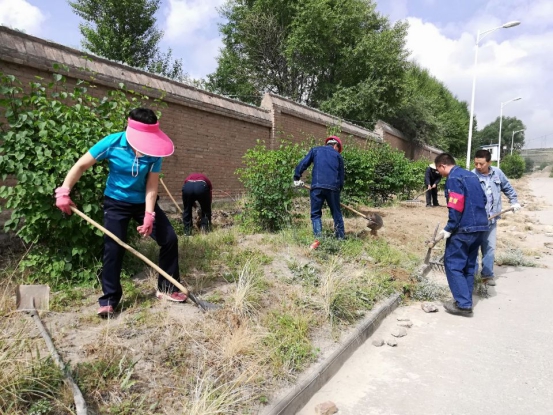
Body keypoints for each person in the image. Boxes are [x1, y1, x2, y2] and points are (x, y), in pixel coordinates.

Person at [55, 108, 186, 317]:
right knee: (113, 247)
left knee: (169, 238)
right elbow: (81, 166)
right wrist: (64, 191)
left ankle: (167, 288)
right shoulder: (112, 142)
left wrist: (149, 214)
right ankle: (109, 299)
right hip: (115, 203)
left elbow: (152, 185)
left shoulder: (154, 150)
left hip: (142, 202)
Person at [434, 153, 489, 316]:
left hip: (463, 229)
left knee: (453, 264)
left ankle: (463, 304)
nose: (439, 173)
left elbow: (455, 206)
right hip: (480, 228)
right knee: (469, 265)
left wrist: (449, 227)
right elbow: (484, 200)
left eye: (438, 169)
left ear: (442, 166)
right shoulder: (472, 176)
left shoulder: (453, 178)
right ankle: (466, 299)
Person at [473, 149, 521, 286]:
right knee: (474, 248)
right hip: (476, 220)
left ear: (489, 162)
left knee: (489, 247)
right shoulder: (472, 176)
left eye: (481, 164)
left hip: (492, 218)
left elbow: (508, 188)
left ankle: (487, 275)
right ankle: (473, 276)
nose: (478, 167)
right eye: (476, 163)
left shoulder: (497, 173)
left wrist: (514, 201)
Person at [293, 136, 345, 249]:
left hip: (317, 187)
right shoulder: (338, 156)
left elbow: (303, 163)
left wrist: (296, 177)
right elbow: (341, 178)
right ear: (336, 145)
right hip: (333, 188)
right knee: (336, 213)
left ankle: (318, 240)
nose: (337, 151)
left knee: (315, 214)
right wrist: (337, 192)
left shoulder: (315, 150)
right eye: (338, 148)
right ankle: (340, 239)